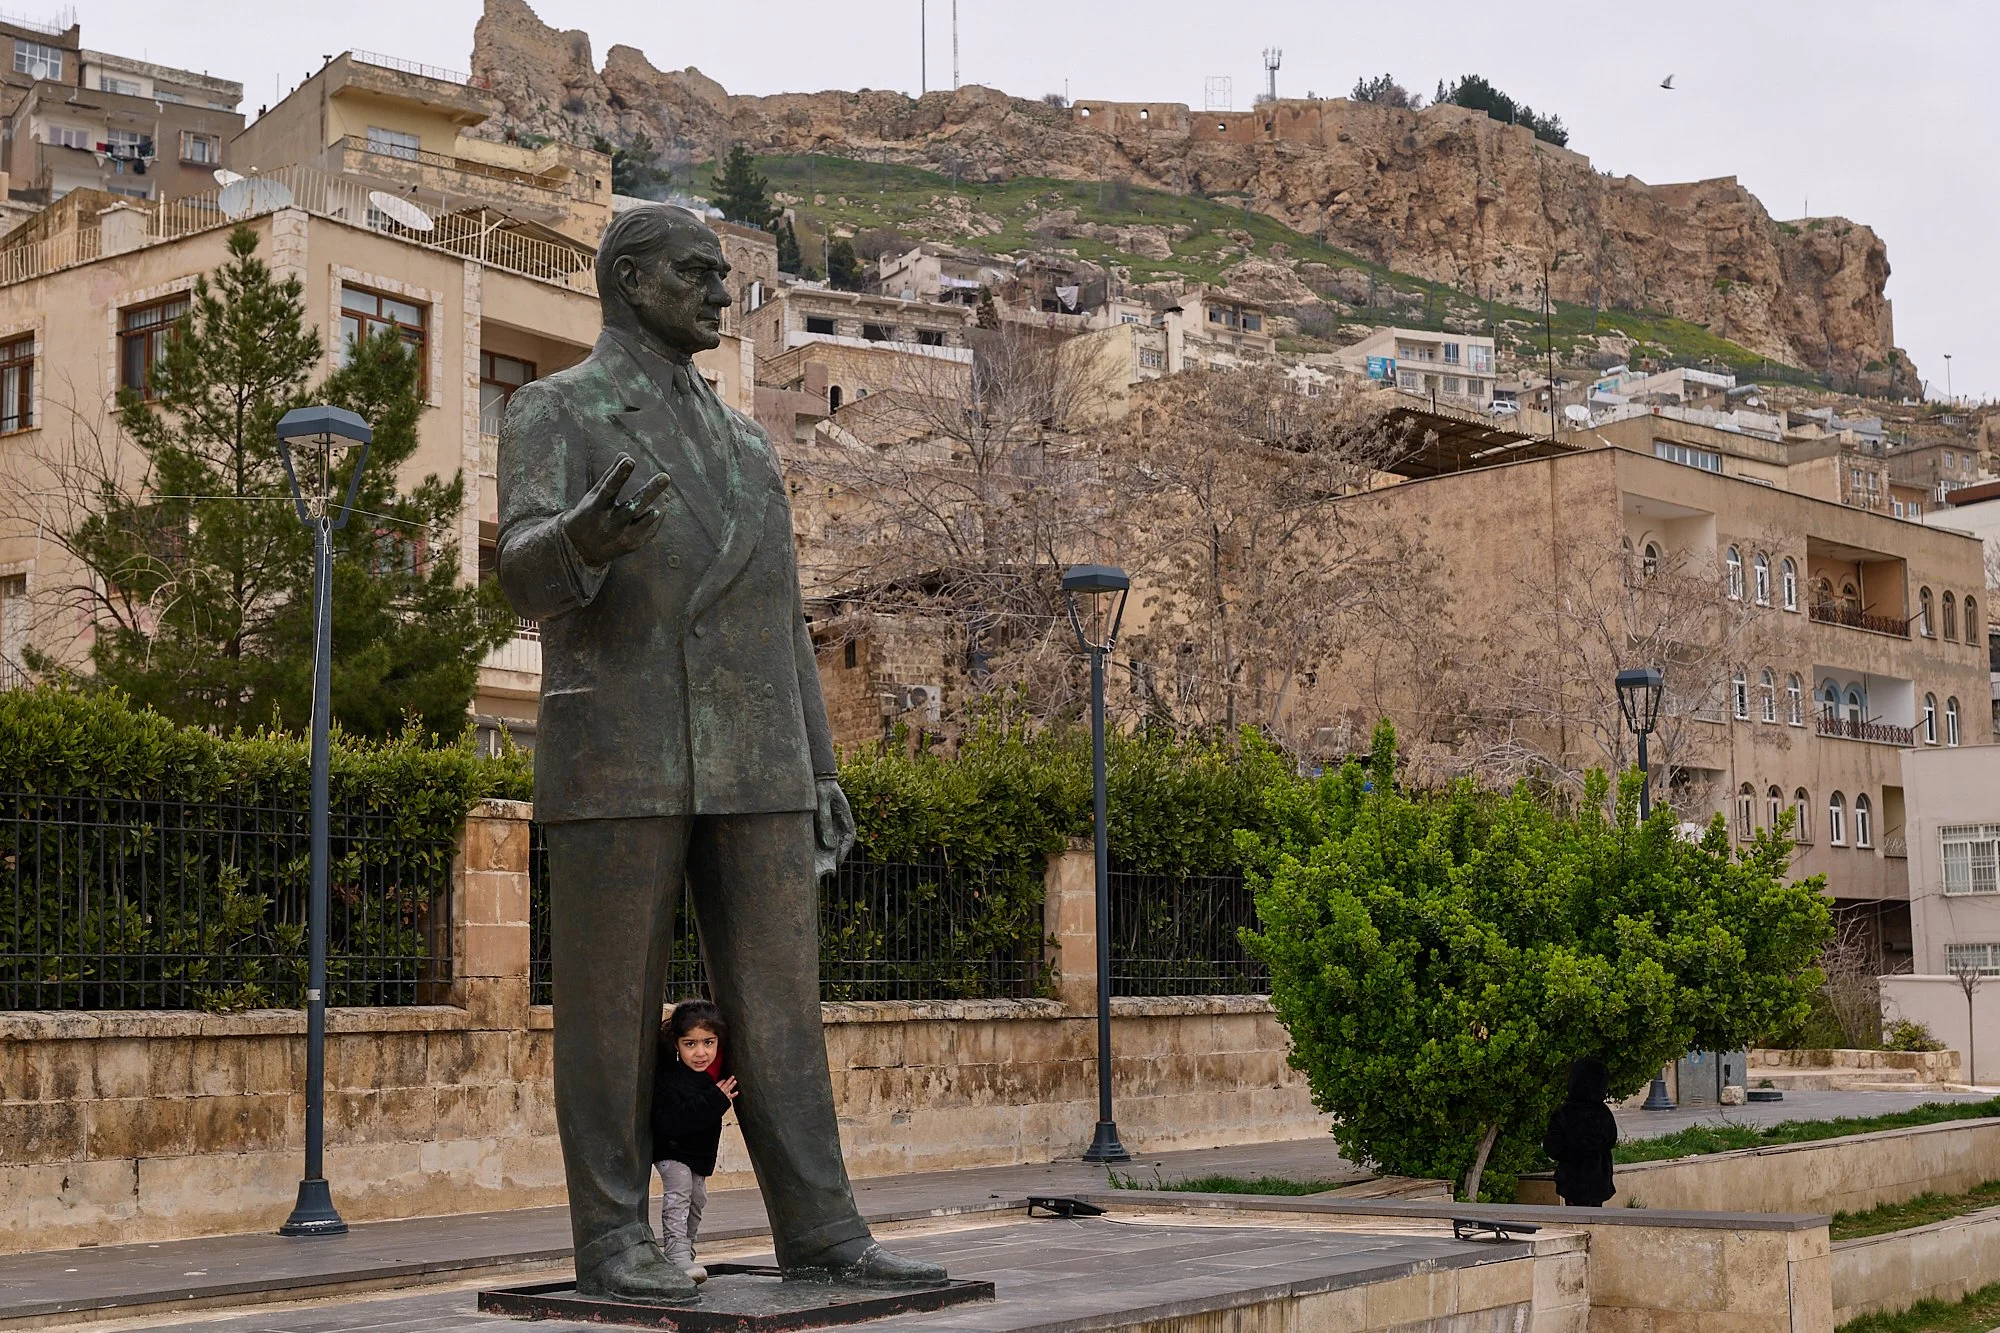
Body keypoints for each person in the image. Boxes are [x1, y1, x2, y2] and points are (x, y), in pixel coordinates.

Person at [497, 203, 946, 1304]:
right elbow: (517, 573)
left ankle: (823, 1228)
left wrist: (819, 764)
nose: (718, 291)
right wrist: (582, 539)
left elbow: (781, 614)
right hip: (620, 749)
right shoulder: (556, 408)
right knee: (610, 1016)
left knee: (784, 1005)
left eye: (722, 275)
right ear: (627, 279)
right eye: (695, 272)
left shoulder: (748, 442)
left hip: (755, 756)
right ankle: (613, 1236)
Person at [652, 1000, 737, 1282]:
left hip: (699, 1153)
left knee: (698, 1199)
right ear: (677, 1044)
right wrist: (715, 1100)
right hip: (671, 1148)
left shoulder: (718, 1072)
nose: (701, 1053)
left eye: (708, 1043)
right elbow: (671, 1121)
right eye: (690, 1044)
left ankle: (685, 1251)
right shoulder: (669, 1076)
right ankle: (676, 1254)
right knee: (679, 1193)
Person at [1543, 1056, 1619, 1207]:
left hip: (1572, 1181)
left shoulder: (1564, 1113)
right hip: (1599, 1180)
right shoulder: (1603, 1113)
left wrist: (1570, 1153)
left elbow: (1552, 1147)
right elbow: (1611, 1140)